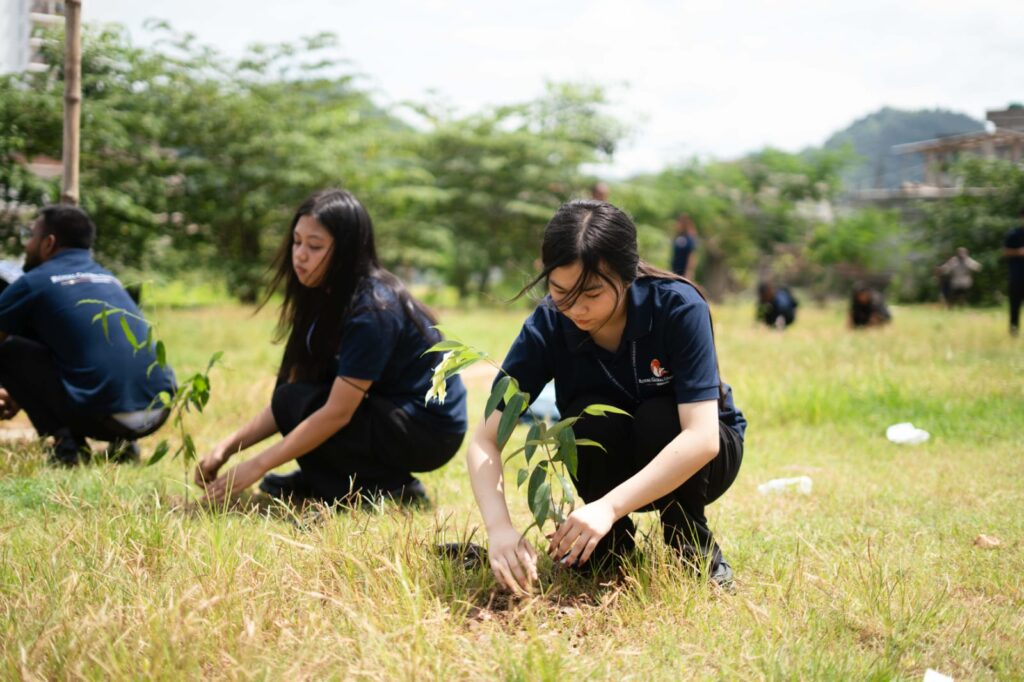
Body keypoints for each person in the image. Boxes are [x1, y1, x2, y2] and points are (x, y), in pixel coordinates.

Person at [466, 200, 746, 593]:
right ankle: (610, 549)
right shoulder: (549, 324)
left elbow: (702, 438)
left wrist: (608, 507)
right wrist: (499, 529)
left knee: (658, 416)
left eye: (592, 293)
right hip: (615, 465)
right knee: (584, 418)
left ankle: (692, 548)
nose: (575, 308)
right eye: (560, 292)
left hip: (702, 461)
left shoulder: (678, 306)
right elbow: (485, 439)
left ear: (627, 275)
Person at [195, 189, 468, 506]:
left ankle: (386, 487)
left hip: (429, 429)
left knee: (300, 401)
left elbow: (337, 413)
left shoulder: (373, 308)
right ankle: (330, 480)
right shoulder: (321, 294)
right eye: (297, 242)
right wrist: (227, 448)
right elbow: (288, 400)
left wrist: (256, 466)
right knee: (290, 395)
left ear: (347, 252)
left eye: (315, 246)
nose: (300, 255)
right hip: (385, 411)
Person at [0, 205, 175, 465]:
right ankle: (124, 447)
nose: (27, 244)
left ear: (48, 243)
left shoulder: (33, 282)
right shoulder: (109, 279)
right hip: (159, 410)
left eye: (32, 236)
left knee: (9, 350)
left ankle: (67, 446)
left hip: (102, 417)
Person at [1004, 209, 1024, 336]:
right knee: (1015, 306)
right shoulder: (1014, 234)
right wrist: (1019, 252)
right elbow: (1006, 252)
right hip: (1017, 277)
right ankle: (1014, 331)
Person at [670, 214, 699, 279]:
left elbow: (692, 255)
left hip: (684, 273)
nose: (676, 225)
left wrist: (689, 272)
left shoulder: (689, 238)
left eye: (678, 223)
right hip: (675, 271)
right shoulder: (678, 237)